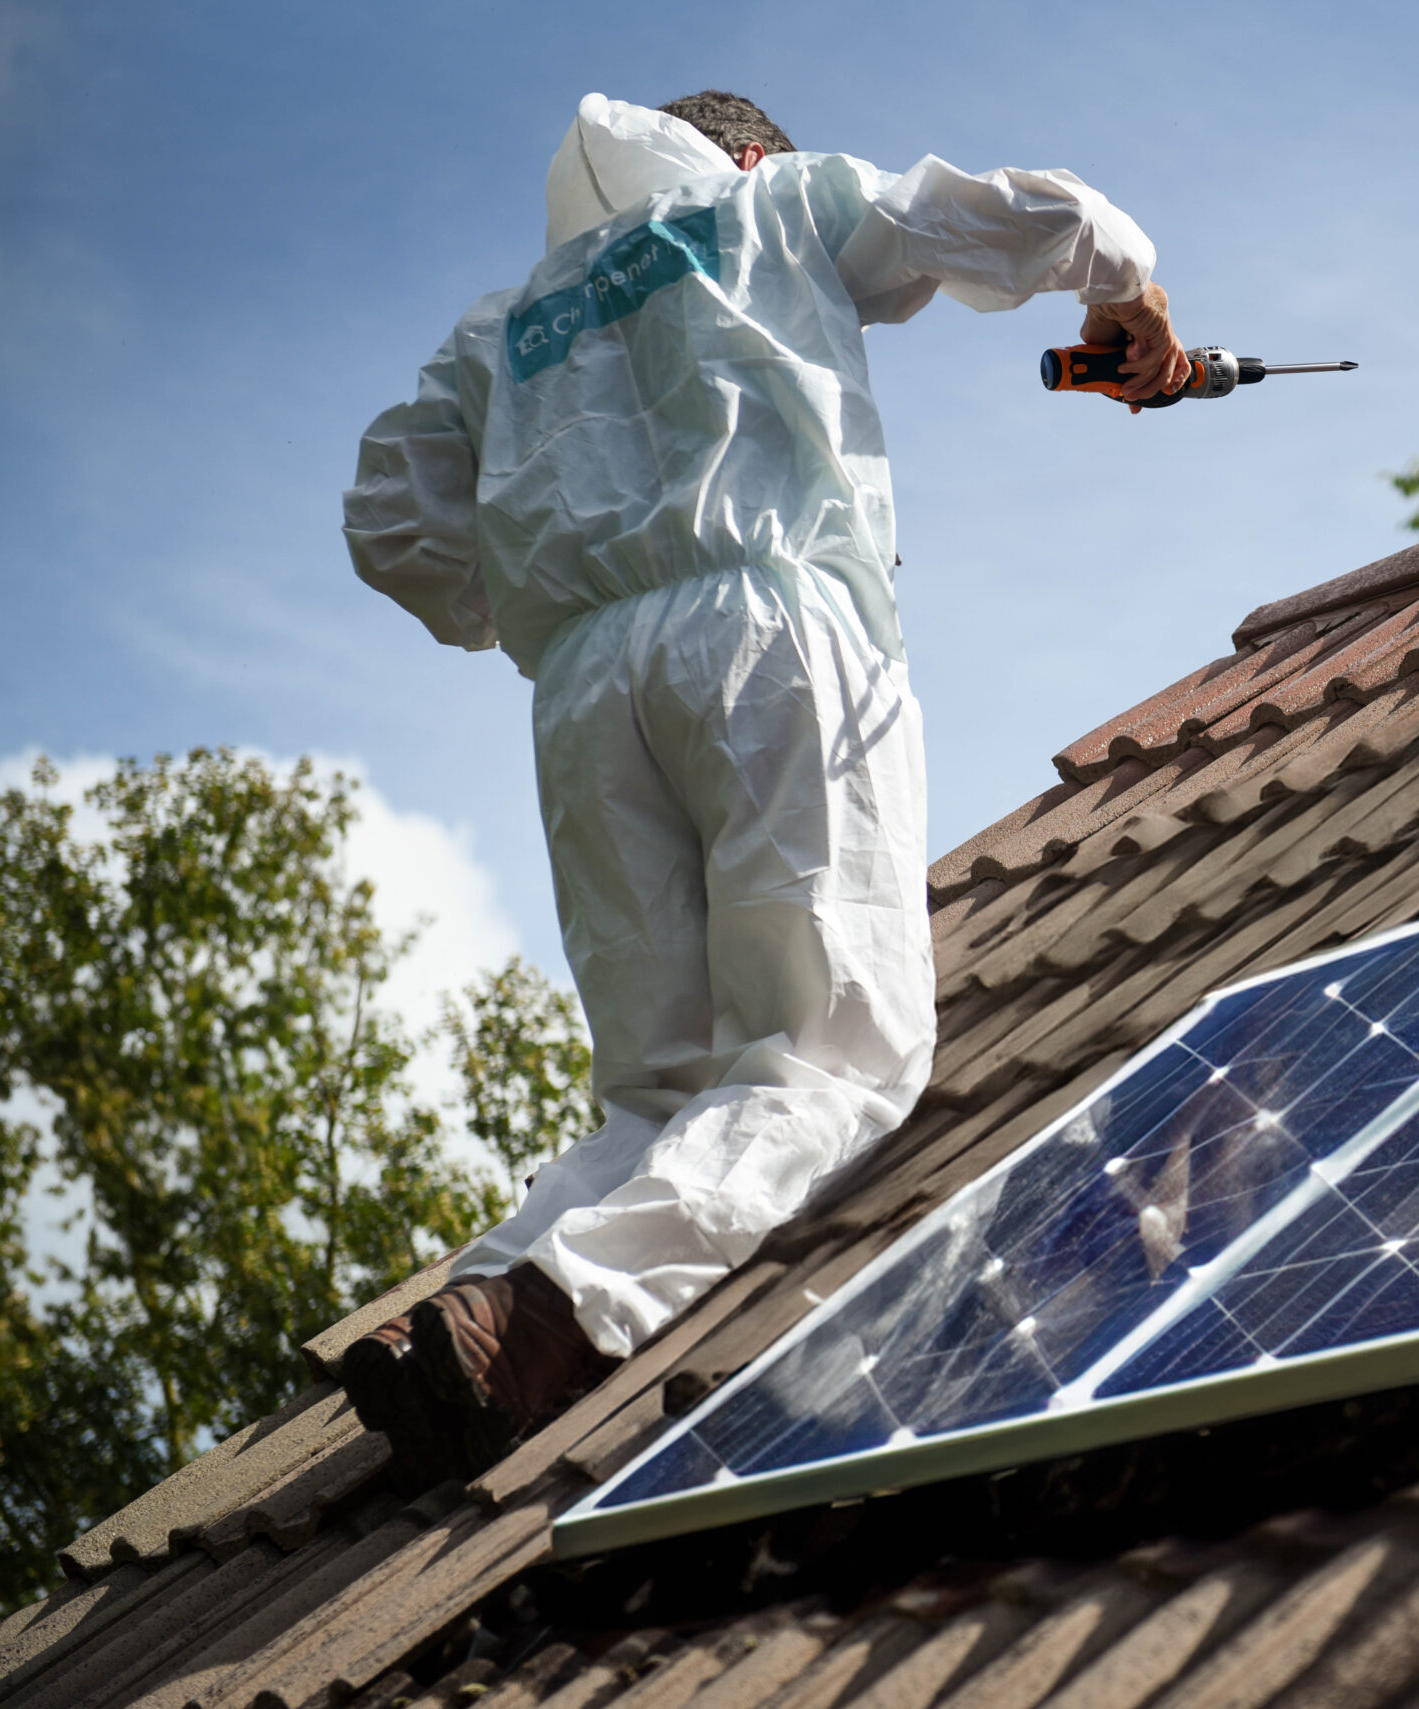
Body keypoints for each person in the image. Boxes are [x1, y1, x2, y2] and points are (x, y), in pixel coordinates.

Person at [339, 90, 1185, 1478]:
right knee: (838, 1043)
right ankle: (561, 1306)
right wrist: (1133, 294)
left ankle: (467, 1308)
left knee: (661, 1090)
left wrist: (537, 580)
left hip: (583, 686)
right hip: (770, 628)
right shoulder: (774, 204)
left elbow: (389, 516)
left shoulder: (507, 327)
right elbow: (1037, 216)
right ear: (746, 154)